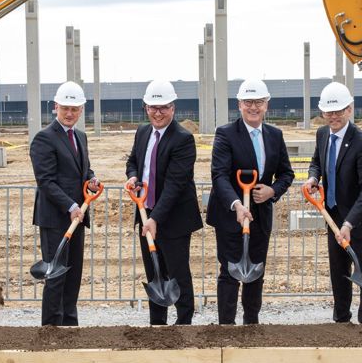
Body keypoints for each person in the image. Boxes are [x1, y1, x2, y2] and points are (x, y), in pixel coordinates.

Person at [207, 79, 294, 324]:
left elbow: (286, 173)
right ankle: (226, 326)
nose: (253, 107)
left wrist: (272, 191)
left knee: (256, 271)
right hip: (230, 215)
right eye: (248, 102)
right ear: (239, 105)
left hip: (260, 216)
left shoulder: (275, 135)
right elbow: (219, 175)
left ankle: (251, 324)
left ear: (266, 104)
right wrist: (236, 204)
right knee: (229, 272)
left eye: (258, 102)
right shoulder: (225, 134)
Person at [302, 82, 362, 324]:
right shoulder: (322, 134)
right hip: (333, 214)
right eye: (329, 112)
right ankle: (341, 320)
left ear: (349, 109)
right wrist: (313, 177)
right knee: (338, 271)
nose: (333, 117)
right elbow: (316, 161)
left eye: (338, 111)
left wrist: (349, 224)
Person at [124, 80, 203, 325]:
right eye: (152, 107)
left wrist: (155, 218)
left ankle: (184, 324)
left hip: (174, 218)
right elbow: (133, 161)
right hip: (145, 213)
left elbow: (175, 185)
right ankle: (157, 327)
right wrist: (133, 176)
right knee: (155, 275)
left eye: (163, 108)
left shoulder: (183, 139)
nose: (157, 113)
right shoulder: (143, 132)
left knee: (178, 274)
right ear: (146, 108)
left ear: (173, 108)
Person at [30, 81, 100, 326]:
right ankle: (51, 328)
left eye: (75, 109)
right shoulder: (44, 138)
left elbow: (83, 170)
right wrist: (70, 206)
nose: (70, 113)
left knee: (73, 275)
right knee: (56, 275)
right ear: (56, 107)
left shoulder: (80, 136)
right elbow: (45, 181)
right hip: (55, 218)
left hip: (77, 217)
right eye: (65, 108)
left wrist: (92, 180)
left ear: (81, 110)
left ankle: (70, 326)